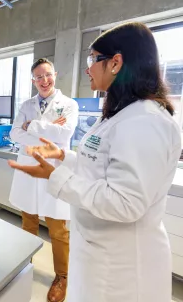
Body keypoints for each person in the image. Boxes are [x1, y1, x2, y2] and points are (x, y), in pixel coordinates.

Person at [9, 22, 181, 302]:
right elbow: (100, 162)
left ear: (115, 63)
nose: (87, 69)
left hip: (121, 271)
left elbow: (126, 202)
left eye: (92, 60)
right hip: (98, 254)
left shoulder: (145, 120)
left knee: (57, 230)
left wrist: (55, 175)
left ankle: (60, 276)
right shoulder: (119, 114)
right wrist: (65, 156)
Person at [9, 58, 78, 302]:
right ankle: (25, 264)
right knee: (28, 222)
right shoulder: (26, 104)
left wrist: (33, 126)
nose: (44, 80)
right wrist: (47, 129)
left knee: (58, 230)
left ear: (55, 75)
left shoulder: (68, 105)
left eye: (47, 75)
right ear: (33, 80)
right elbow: (14, 133)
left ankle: (63, 277)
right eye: (38, 77)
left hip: (54, 171)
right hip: (30, 170)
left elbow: (65, 134)